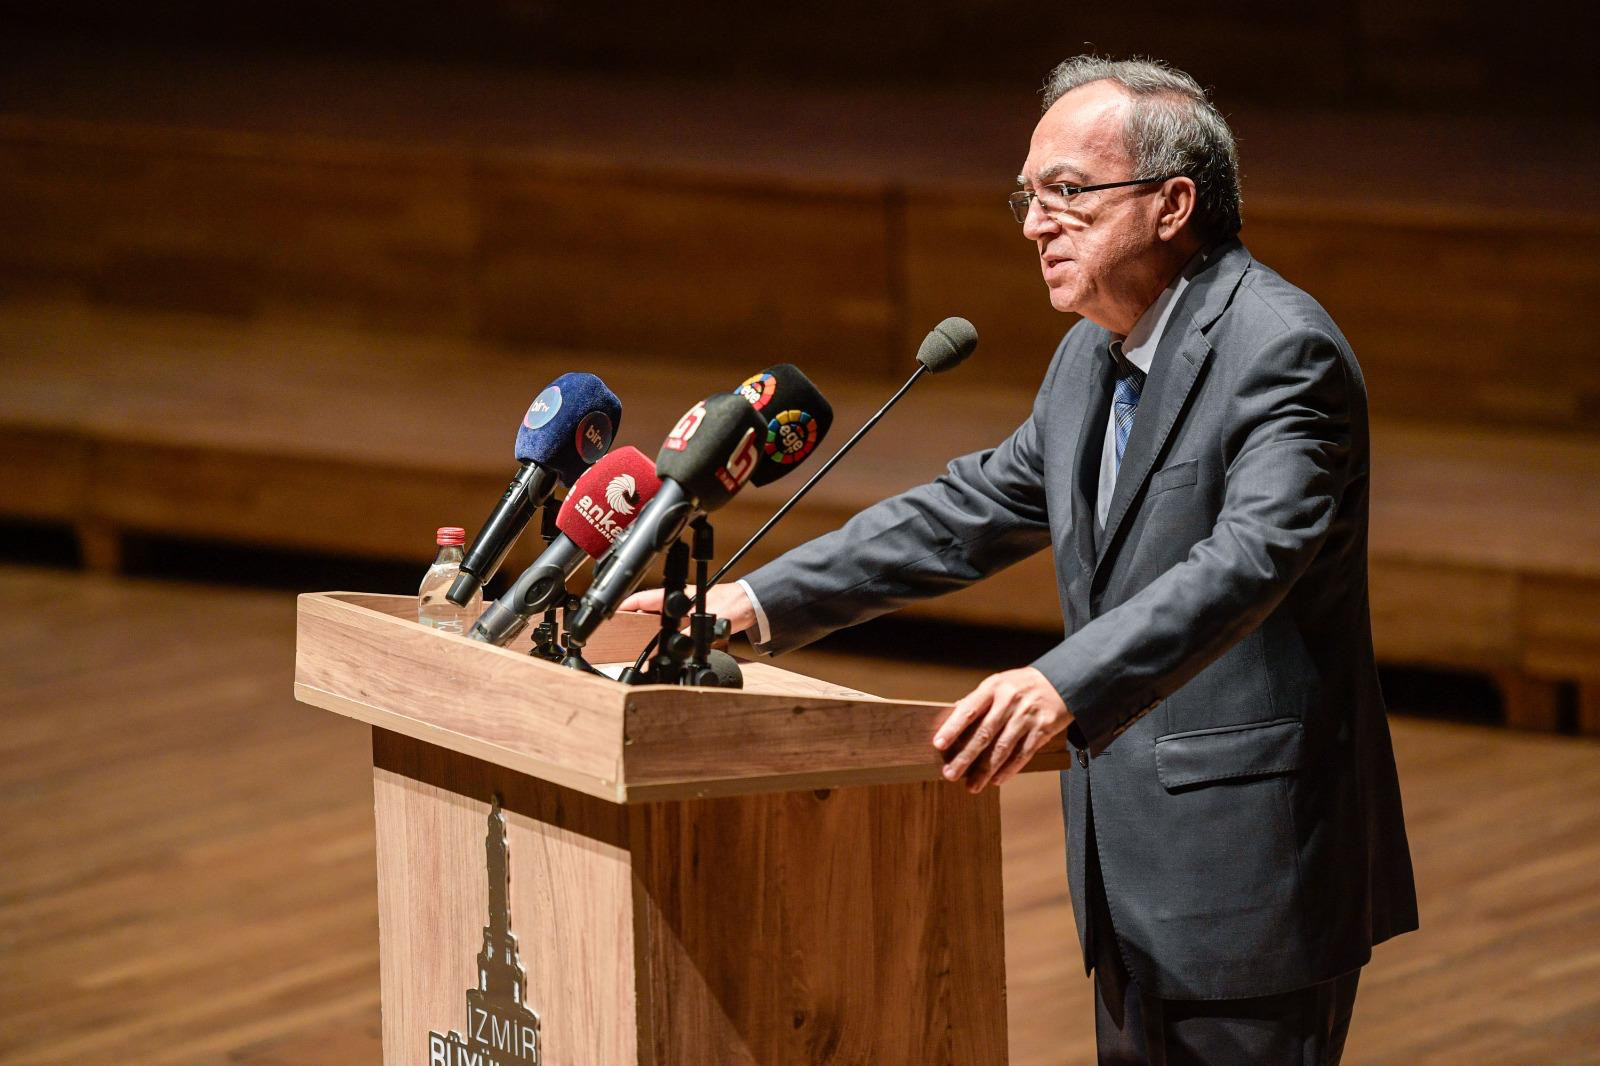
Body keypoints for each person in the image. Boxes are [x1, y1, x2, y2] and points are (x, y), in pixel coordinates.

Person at [622, 55, 1417, 1065]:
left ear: (1172, 204)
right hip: (1125, 868)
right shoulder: (1091, 354)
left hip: (1250, 866)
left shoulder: (1280, 349)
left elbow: (1251, 558)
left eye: (1068, 193)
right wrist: (753, 601)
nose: (1037, 225)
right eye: (1028, 197)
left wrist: (1060, 682)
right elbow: (971, 510)